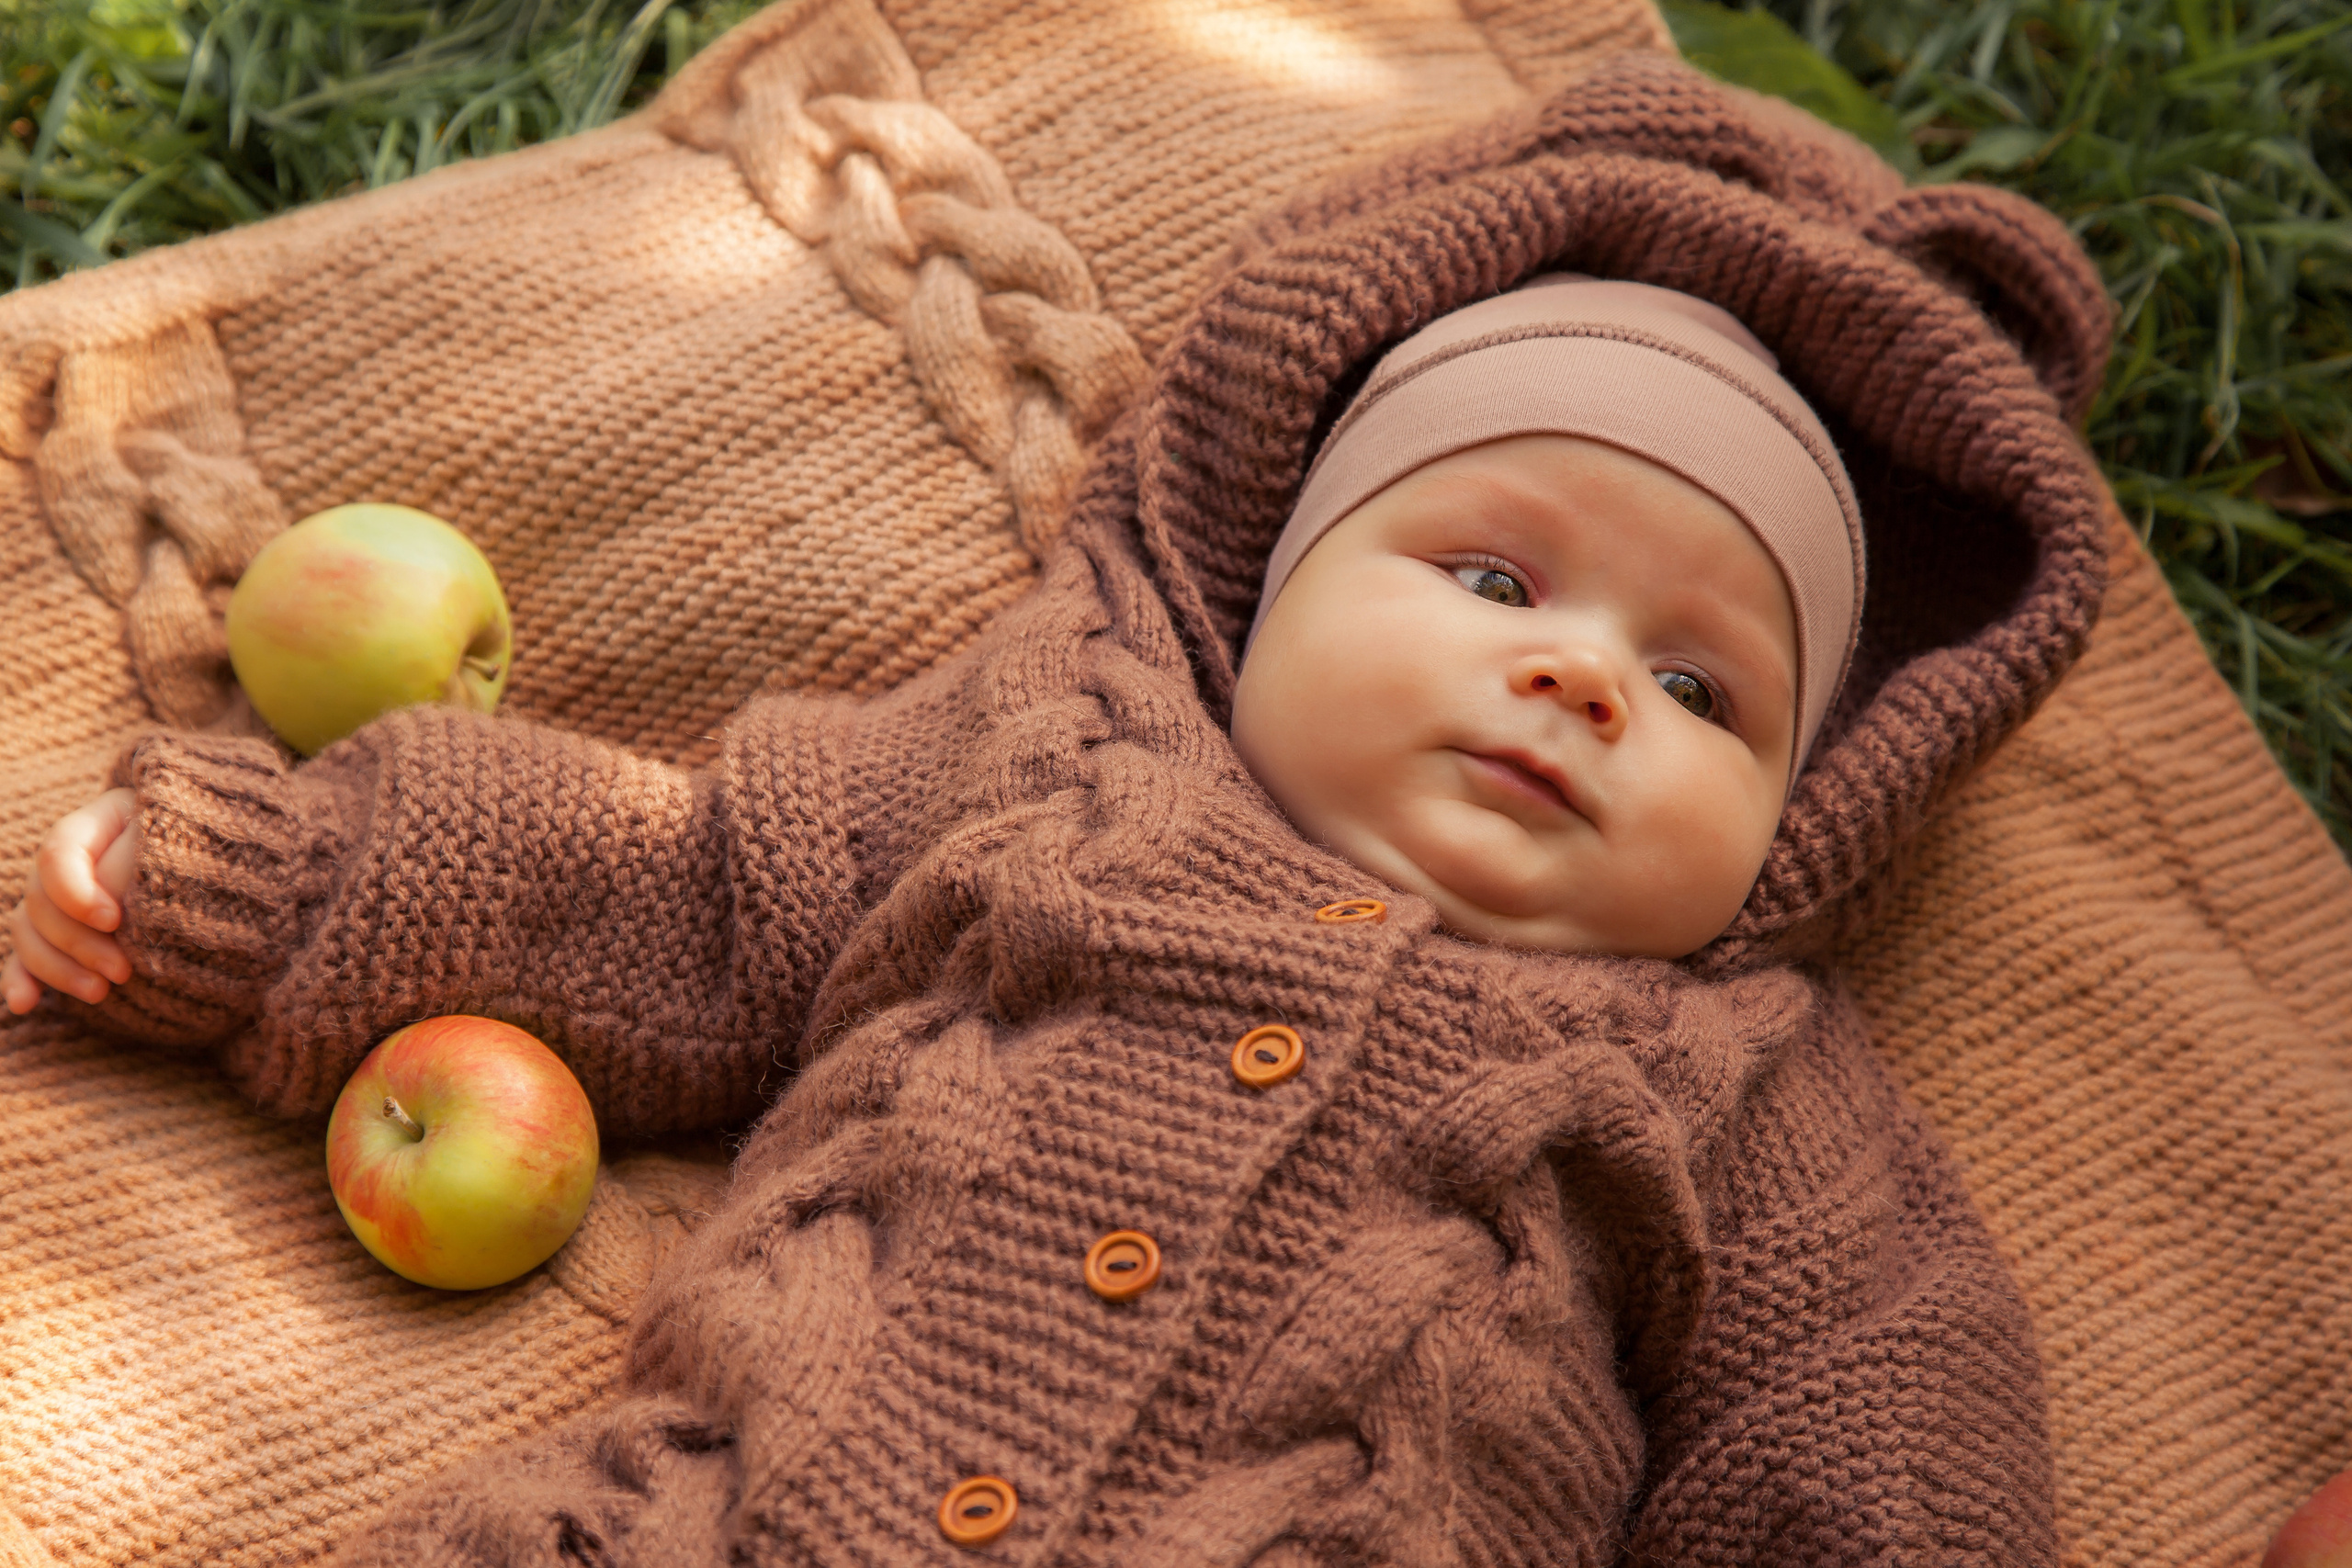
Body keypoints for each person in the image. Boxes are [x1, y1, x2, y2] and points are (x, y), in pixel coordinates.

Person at [0, 55, 2112, 1567]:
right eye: (1489, 578)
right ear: (1267, 581)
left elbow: (1877, 1420)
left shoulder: (1741, 1087)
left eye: (1701, 687)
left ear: (1815, 805)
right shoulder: (1051, 772)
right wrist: (257, 878)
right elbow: (672, 881)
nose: (1581, 678)